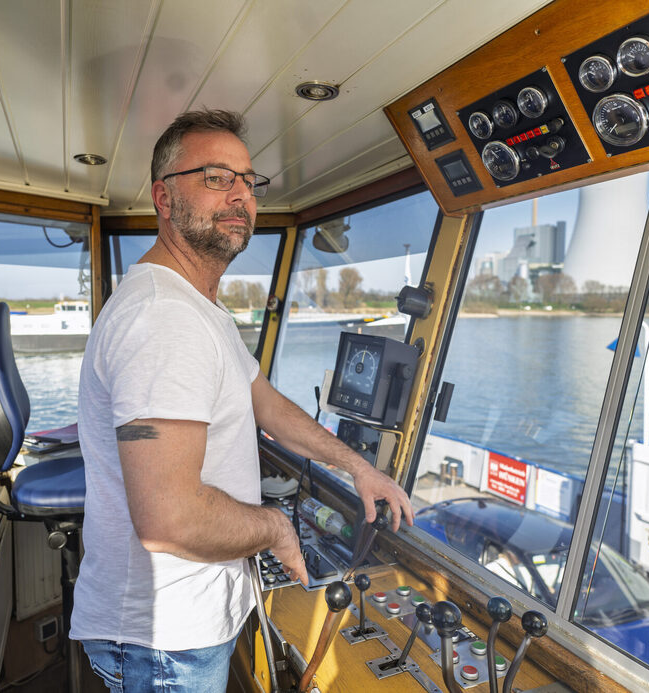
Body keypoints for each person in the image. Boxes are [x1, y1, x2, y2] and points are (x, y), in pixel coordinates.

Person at [70, 108, 413, 692]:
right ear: (163, 196)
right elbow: (169, 518)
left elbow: (267, 404)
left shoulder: (199, 309)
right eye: (215, 177)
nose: (239, 196)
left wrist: (357, 467)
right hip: (165, 642)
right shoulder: (163, 318)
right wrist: (276, 528)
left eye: (248, 181)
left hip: (177, 627)